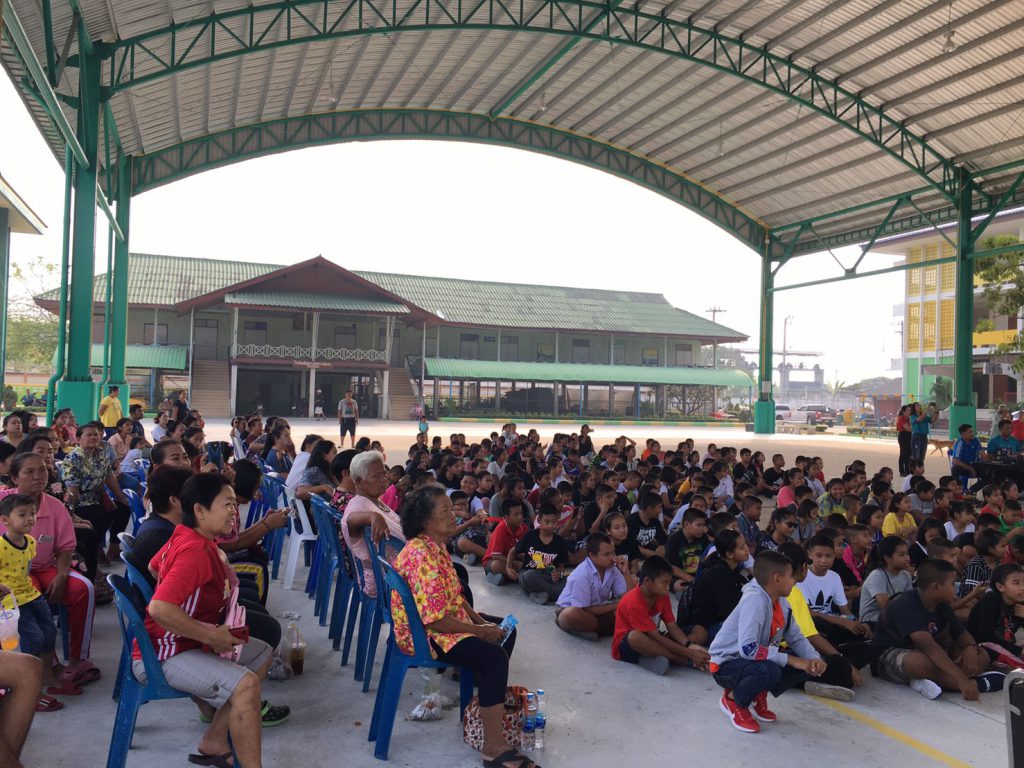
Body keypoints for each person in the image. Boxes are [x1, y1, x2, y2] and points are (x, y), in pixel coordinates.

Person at [139, 473, 287, 767]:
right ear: (199, 510)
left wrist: (192, 609)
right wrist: (209, 635)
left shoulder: (185, 534)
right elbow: (159, 608)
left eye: (234, 504)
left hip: (181, 641)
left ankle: (215, 739)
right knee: (246, 685)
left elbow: (154, 567)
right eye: (227, 504)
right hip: (165, 652)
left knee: (261, 654)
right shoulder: (195, 552)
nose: (234, 511)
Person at [391, 485, 532, 768]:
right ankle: (493, 748)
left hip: (440, 623)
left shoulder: (435, 545)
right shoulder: (422, 555)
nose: (453, 515)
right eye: (444, 510)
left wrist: (481, 622)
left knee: (506, 630)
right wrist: (480, 632)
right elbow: (436, 620)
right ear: (425, 520)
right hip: (427, 636)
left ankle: (484, 694)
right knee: (495, 658)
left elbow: (456, 596)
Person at [0, 454, 98, 689]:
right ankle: (45, 666)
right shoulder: (3, 503)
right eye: (29, 472)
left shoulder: (55, 506)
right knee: (28, 601)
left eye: (42, 470)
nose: (38, 477)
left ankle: (77, 658)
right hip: (11, 576)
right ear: (14, 478)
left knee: (84, 588)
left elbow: (65, 547)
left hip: (46, 567)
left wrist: (62, 574)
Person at [709, 551, 826, 734]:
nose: (795, 581)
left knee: (806, 665)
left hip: (753, 660)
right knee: (769, 670)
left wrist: (813, 658)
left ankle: (756, 694)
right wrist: (792, 660)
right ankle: (733, 700)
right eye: (791, 576)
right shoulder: (754, 600)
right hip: (727, 664)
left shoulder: (782, 601)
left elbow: (795, 636)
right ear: (777, 579)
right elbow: (748, 649)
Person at [870, 558, 1002, 699]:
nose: (955, 589)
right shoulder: (905, 604)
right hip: (891, 655)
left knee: (981, 655)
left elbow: (961, 633)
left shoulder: (941, 603)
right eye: (952, 584)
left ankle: (935, 680)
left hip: (932, 652)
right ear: (936, 587)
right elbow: (929, 647)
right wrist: (961, 679)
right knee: (921, 663)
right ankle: (971, 684)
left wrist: (970, 647)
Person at [0, 495, 73, 712]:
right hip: (12, 601)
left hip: (32, 595)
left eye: (32, 513)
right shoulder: (1, 546)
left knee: (49, 632)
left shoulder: (31, 542)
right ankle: (28, 688)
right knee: (34, 638)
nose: (30, 519)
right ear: (5, 520)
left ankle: (46, 674)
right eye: (22, 515)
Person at [778, 542, 859, 700]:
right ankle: (805, 681)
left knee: (837, 654)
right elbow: (809, 636)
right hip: (781, 654)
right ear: (804, 567)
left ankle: (809, 677)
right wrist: (846, 664)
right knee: (842, 667)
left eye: (828, 556)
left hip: (772, 653)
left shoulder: (765, 588)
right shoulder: (792, 592)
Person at [611, 555, 709, 676]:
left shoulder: (662, 594)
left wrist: (689, 645)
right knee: (635, 636)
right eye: (664, 583)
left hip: (655, 638)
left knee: (700, 631)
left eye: (669, 583)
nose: (667, 588)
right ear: (647, 581)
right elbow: (656, 637)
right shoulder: (634, 602)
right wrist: (690, 654)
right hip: (629, 645)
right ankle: (677, 659)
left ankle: (657, 655)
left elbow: (671, 626)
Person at [64, 421, 130, 564]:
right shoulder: (74, 458)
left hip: (98, 498)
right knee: (100, 515)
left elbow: (109, 475)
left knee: (123, 508)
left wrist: (121, 497)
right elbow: (72, 489)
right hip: (80, 503)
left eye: (96, 435)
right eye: (89, 435)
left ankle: (113, 548)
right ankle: (95, 553)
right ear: (78, 438)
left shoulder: (100, 453)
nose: (94, 437)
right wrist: (71, 513)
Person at [341, 451, 402, 598]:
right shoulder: (359, 505)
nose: (384, 479)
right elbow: (349, 520)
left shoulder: (374, 500)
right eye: (376, 476)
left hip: (397, 573)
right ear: (359, 481)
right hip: (388, 583)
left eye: (384, 474)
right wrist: (373, 516)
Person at [555, 532, 633, 641]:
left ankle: (588, 629)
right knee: (571, 615)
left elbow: (629, 597)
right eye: (606, 554)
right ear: (592, 556)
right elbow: (587, 609)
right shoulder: (582, 573)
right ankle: (594, 628)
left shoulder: (612, 569)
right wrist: (619, 604)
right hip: (574, 609)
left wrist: (626, 572)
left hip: (596, 609)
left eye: (613, 552)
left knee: (630, 611)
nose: (612, 557)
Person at [677, 529, 749, 646]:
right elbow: (731, 612)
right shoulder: (719, 574)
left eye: (745, 545)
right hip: (703, 627)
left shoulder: (728, 569)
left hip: (713, 622)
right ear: (729, 554)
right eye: (742, 548)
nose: (747, 549)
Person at [797, 533, 872, 644]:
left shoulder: (834, 577)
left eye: (828, 556)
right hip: (810, 624)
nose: (824, 560)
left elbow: (845, 611)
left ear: (834, 555)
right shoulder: (801, 576)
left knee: (868, 628)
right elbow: (807, 613)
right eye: (819, 556)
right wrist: (842, 621)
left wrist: (858, 624)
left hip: (831, 622)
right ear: (810, 555)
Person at [967, 563, 1024, 662]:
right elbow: (986, 636)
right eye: (1016, 583)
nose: (1022, 587)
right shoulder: (991, 600)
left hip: (1006, 646)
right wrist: (1018, 651)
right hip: (981, 648)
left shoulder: (1020, 601)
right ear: (1000, 587)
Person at [513, 505, 569, 605]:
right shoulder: (530, 536)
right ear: (539, 520)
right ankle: (559, 594)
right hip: (530, 573)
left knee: (570, 578)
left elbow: (561, 568)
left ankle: (540, 594)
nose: (551, 525)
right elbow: (513, 551)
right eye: (547, 522)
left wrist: (558, 574)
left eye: (554, 522)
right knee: (528, 577)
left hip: (548, 576)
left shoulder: (560, 541)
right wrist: (508, 567)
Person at [858, 536, 912, 627]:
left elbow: (909, 601)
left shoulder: (906, 575)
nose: (907, 558)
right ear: (887, 558)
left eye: (907, 554)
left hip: (894, 616)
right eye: (902, 555)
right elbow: (886, 606)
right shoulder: (877, 576)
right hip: (872, 621)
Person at [483, 498, 530, 585]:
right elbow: (496, 556)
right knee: (496, 565)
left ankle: (504, 577)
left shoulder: (524, 528)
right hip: (494, 561)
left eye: (521, 513)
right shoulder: (501, 529)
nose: (520, 517)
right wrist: (515, 563)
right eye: (516, 514)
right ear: (506, 517)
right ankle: (520, 577)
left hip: (514, 561)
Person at [950, 423, 986, 492]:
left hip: (974, 466)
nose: (972, 434)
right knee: (955, 469)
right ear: (963, 433)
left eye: (972, 432)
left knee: (989, 474)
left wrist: (989, 463)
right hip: (963, 467)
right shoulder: (960, 442)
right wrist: (970, 468)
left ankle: (970, 491)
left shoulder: (975, 440)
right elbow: (955, 461)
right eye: (970, 432)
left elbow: (983, 454)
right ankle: (956, 491)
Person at [895, 404, 912, 476]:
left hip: (909, 436)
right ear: (903, 412)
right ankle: (902, 471)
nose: (909, 412)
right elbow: (908, 429)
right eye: (908, 411)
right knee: (903, 454)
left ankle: (907, 470)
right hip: (903, 436)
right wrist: (914, 427)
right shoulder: (901, 418)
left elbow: (910, 428)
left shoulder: (908, 419)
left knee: (908, 454)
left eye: (910, 410)